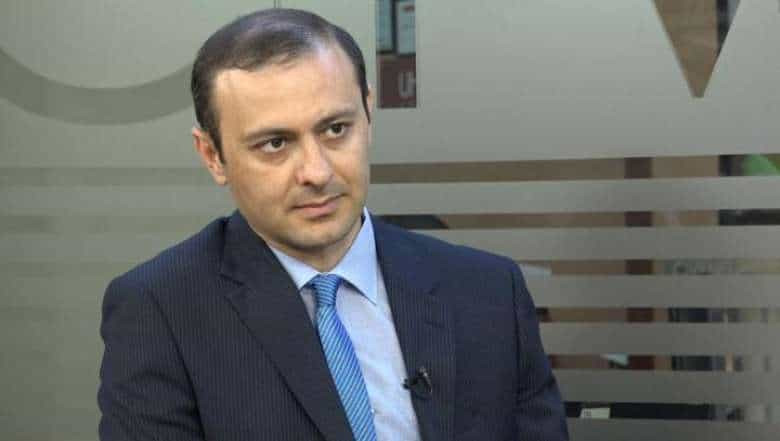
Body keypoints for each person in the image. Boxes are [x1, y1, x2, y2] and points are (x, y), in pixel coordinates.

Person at [97, 8, 568, 441]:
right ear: (212, 156)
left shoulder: (489, 292)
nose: (317, 172)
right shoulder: (160, 312)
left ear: (368, 113)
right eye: (275, 144)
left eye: (336, 129)